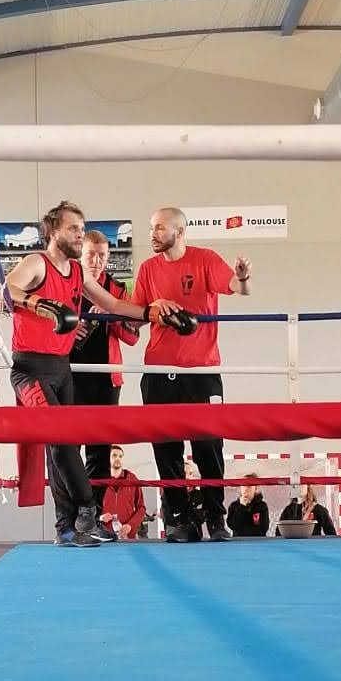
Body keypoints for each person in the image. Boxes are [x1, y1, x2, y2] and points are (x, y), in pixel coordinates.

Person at [4, 202, 177, 547]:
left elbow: (113, 305)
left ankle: (66, 529)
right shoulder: (37, 262)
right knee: (60, 439)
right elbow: (9, 288)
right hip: (30, 369)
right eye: (73, 229)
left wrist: (151, 312)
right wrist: (41, 305)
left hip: (61, 369)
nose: (79, 235)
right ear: (53, 231)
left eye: (82, 230)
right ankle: (87, 508)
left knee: (61, 446)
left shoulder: (77, 272)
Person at [132, 206, 251, 543]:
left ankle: (215, 518)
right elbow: (136, 315)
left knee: (209, 446)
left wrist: (242, 277)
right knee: (165, 449)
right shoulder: (147, 268)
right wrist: (147, 309)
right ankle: (179, 519)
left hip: (202, 371)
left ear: (180, 231)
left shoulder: (205, 259)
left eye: (159, 228)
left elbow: (236, 287)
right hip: (158, 371)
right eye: (151, 227)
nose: (153, 234)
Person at [72, 229, 140, 492]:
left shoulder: (117, 290)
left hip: (106, 380)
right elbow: (47, 328)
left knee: (100, 450)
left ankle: (95, 510)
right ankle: (71, 509)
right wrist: (69, 329)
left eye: (102, 255)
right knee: (68, 447)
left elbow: (132, 338)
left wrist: (112, 315)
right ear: (80, 254)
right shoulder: (67, 285)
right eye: (91, 254)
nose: (96, 261)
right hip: (70, 376)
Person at [99, 445, 147, 540]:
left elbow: (141, 508)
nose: (118, 459)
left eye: (120, 456)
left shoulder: (132, 479)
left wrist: (130, 525)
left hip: (128, 536)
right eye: (114, 455)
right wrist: (100, 518)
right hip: (104, 536)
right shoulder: (99, 479)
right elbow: (90, 507)